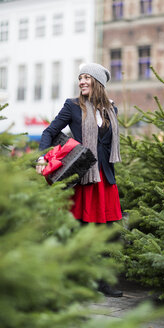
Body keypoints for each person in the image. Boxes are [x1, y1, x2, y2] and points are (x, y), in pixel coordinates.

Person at [36, 63, 123, 297]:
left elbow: (108, 145)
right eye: (80, 78)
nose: (82, 81)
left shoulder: (111, 110)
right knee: (79, 230)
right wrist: (42, 157)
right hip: (84, 177)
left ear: (98, 82)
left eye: (87, 77)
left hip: (105, 178)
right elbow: (48, 132)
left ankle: (102, 283)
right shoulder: (72, 106)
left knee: (104, 232)